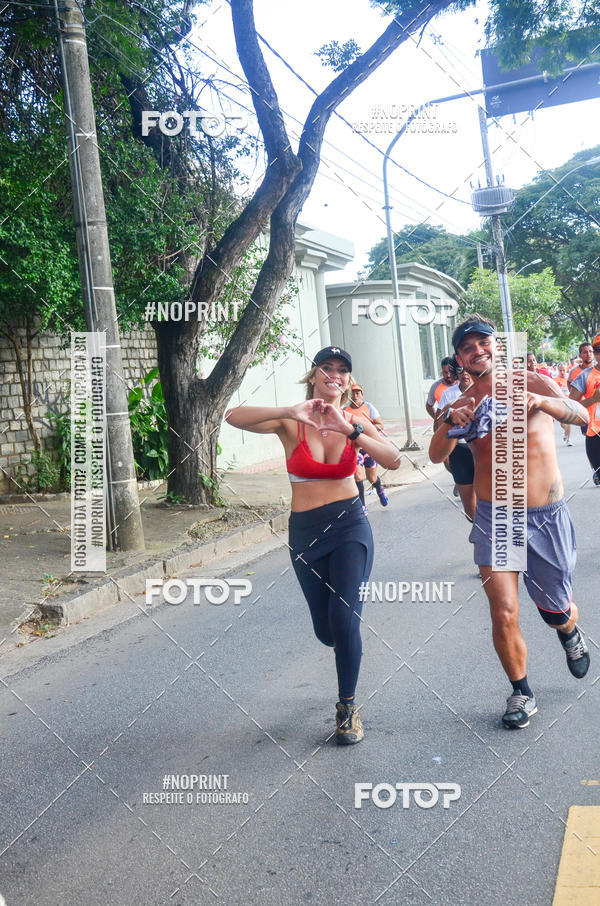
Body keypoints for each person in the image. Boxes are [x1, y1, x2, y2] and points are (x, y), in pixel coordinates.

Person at [225, 346, 401, 745]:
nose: (334, 375)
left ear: (348, 381)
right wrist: (290, 411)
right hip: (305, 532)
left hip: (350, 526)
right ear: (314, 374)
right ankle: (344, 646)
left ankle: (347, 709)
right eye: (327, 368)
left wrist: (352, 431)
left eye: (342, 370)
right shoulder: (292, 422)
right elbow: (232, 415)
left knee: (344, 619)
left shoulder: (353, 419)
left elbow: (393, 461)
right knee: (327, 632)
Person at [429, 315, 590, 730]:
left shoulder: (531, 381)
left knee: (555, 609)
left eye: (483, 342)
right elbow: (433, 454)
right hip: (496, 518)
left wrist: (543, 403)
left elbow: (580, 415)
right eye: (467, 348)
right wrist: (449, 421)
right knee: (503, 611)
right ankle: (522, 691)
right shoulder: (459, 404)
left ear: (496, 345)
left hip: (546, 515)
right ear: (460, 359)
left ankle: (568, 629)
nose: (477, 350)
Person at [435, 361, 476, 520]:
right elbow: (439, 425)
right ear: (456, 373)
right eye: (461, 370)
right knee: (471, 512)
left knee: (487, 501)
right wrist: (445, 454)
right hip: (458, 450)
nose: (465, 373)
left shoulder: (486, 390)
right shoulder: (448, 395)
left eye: (468, 370)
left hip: (481, 451)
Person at [344, 384, 389, 509]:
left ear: (362, 395)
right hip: (355, 448)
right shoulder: (345, 410)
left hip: (369, 447)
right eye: (353, 393)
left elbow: (380, 425)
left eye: (358, 393)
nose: (355, 395)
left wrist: (367, 429)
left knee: (372, 478)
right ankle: (362, 507)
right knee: (357, 476)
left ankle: (379, 490)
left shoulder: (368, 407)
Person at [569, 334, 600, 486]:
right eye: (598, 349)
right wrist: (593, 399)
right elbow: (569, 407)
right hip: (595, 433)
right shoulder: (585, 376)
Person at [554, 362, 574, 446]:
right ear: (557, 370)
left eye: (564, 370)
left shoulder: (570, 379)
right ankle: (566, 432)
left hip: (569, 403)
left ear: (566, 370)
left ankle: (568, 439)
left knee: (568, 421)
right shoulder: (555, 380)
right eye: (560, 370)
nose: (562, 372)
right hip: (559, 404)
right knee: (562, 423)